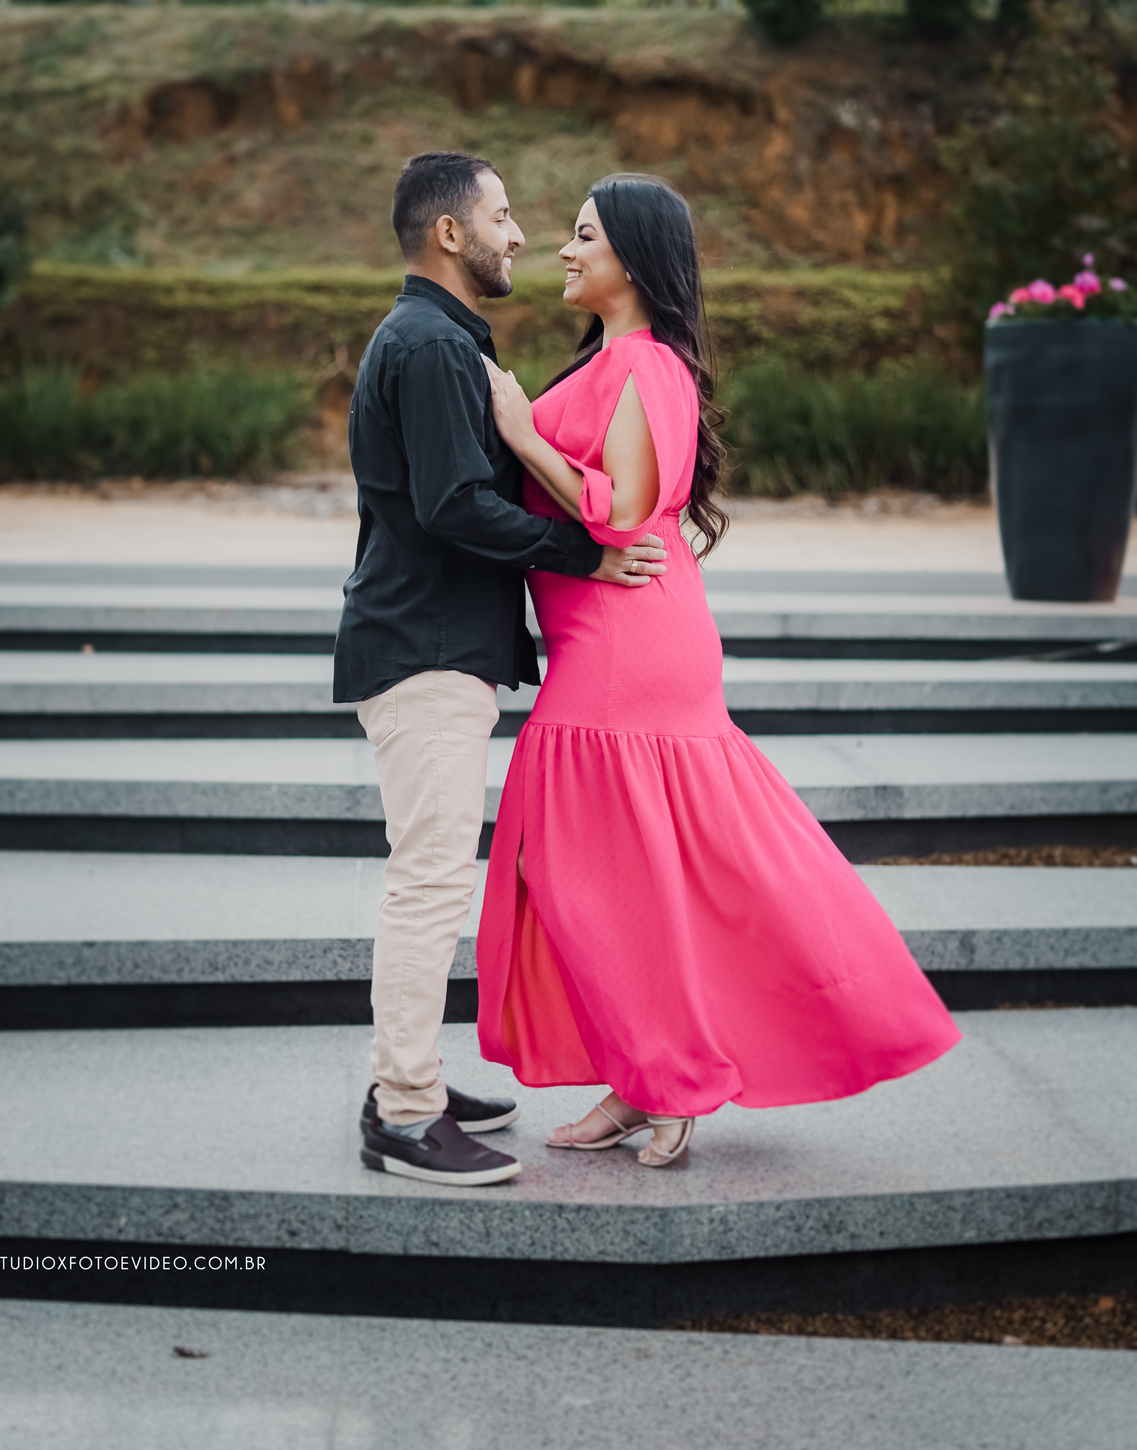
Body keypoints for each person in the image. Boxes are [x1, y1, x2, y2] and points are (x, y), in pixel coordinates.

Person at [476, 173, 961, 1167]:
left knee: (589, 871)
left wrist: (520, 432)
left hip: (628, 642)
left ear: (634, 259)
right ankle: (642, 1073)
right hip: (610, 636)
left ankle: (673, 1073)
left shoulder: (647, 364)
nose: (564, 249)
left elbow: (623, 511)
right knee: (618, 874)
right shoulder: (611, 362)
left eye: (584, 235)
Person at [334, 151, 668, 1187]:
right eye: (504, 214)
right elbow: (453, 506)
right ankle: (404, 1111)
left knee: (432, 874)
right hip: (425, 649)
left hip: (431, 644)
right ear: (450, 233)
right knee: (429, 881)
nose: (520, 234)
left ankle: (409, 1079)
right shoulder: (434, 344)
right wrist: (586, 553)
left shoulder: (434, 337)